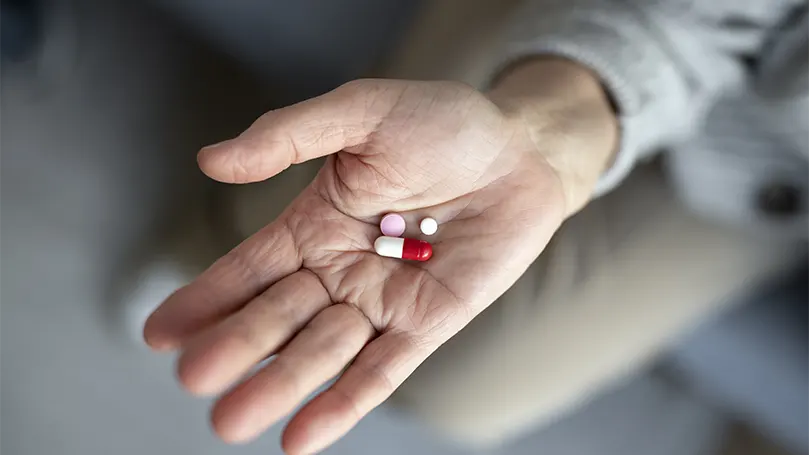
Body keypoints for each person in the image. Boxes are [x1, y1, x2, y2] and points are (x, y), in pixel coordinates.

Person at [138, 0, 809, 453]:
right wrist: (547, 123)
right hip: (660, 17)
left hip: (773, 183)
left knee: (465, 388)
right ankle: (227, 239)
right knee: (374, 170)